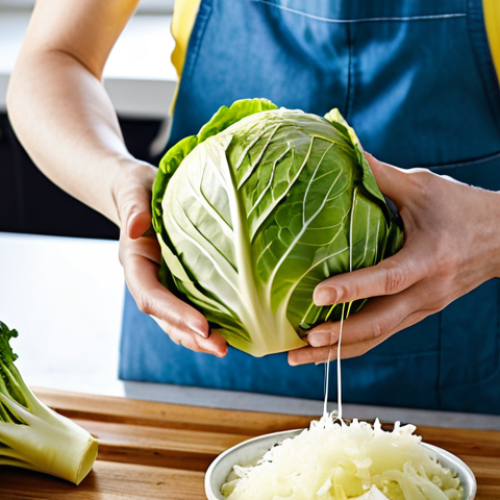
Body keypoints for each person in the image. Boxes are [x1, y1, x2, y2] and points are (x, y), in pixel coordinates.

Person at [7, 0, 500, 413]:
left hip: (452, 360)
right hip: (194, 348)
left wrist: (491, 232)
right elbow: (54, 57)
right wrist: (119, 182)